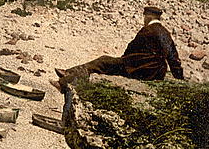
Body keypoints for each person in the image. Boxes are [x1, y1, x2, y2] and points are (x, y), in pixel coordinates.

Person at [52, 5, 184, 90]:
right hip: (151, 71)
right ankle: (68, 74)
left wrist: (123, 60)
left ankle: (65, 81)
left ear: (148, 17)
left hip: (140, 70)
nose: (144, 20)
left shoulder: (151, 30)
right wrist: (180, 79)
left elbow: (131, 48)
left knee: (103, 62)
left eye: (145, 17)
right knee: (105, 62)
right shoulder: (163, 32)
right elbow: (174, 58)